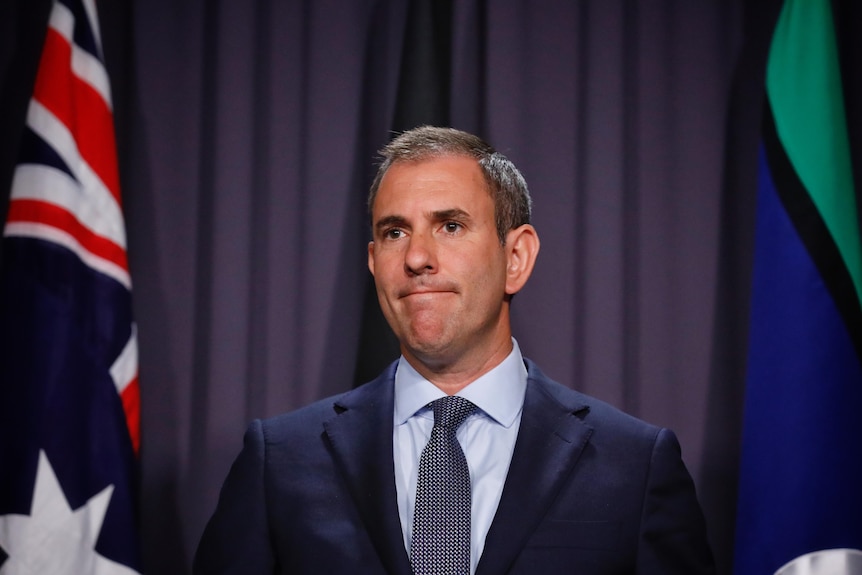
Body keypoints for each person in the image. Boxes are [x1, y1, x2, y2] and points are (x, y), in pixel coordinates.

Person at [193, 126, 715, 574]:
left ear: (516, 257)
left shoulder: (635, 466)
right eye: (395, 232)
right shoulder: (280, 461)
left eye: (450, 226)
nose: (418, 257)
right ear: (374, 262)